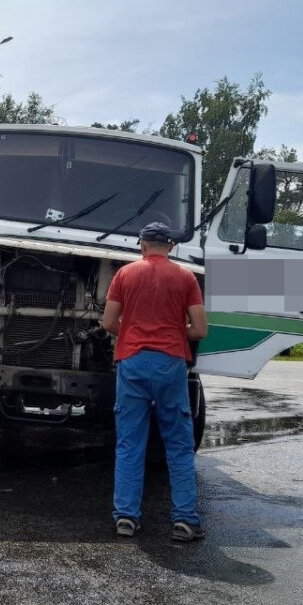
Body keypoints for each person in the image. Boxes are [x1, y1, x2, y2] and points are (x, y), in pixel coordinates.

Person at [102, 221, 209, 541]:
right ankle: (185, 521)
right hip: (171, 365)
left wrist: (134, 337)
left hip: (132, 364)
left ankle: (126, 518)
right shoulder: (186, 277)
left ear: (142, 245)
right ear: (171, 247)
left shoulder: (125, 274)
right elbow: (200, 329)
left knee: (130, 443)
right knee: (178, 443)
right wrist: (173, 337)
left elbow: (109, 321)